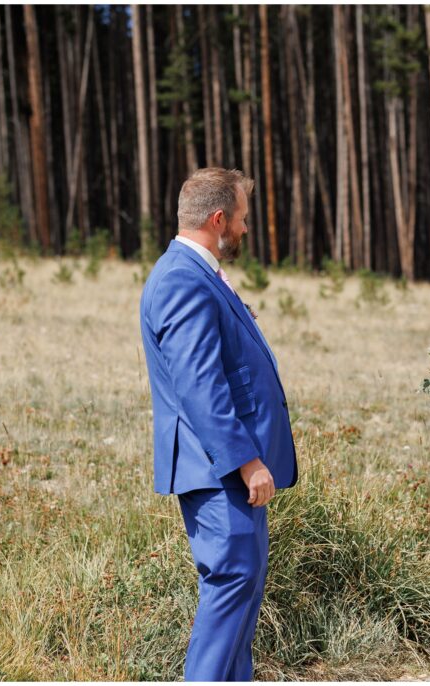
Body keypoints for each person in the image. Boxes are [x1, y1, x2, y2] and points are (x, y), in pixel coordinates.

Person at [139, 167, 297, 681]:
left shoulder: (195, 272)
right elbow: (200, 385)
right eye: (244, 219)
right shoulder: (183, 278)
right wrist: (248, 462)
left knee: (242, 587)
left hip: (222, 468)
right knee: (232, 581)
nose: (246, 230)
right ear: (218, 218)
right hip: (218, 468)